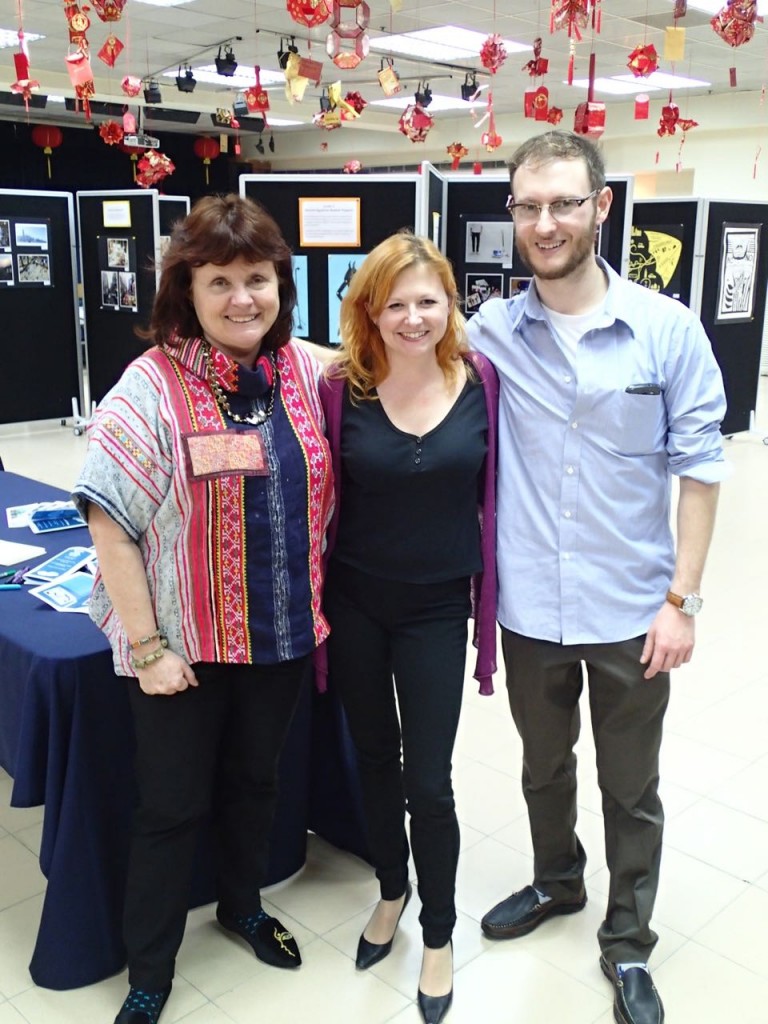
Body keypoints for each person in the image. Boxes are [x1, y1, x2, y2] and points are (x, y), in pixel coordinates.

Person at [466, 131, 727, 1024]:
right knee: (544, 768)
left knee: (630, 785)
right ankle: (556, 884)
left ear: (600, 207)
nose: (546, 223)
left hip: (632, 611)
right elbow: (391, 353)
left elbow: (699, 473)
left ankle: (627, 943)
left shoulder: (667, 331)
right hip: (531, 605)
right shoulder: (492, 332)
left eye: (565, 203)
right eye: (528, 206)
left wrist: (681, 602)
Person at [72, 194, 333, 1024]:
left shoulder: (302, 368)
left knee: (255, 784)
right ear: (188, 290)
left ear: (280, 285)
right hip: (181, 651)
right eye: (220, 282)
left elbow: (398, 357)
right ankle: (150, 971)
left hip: (281, 632)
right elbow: (111, 528)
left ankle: (240, 905)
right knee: (171, 809)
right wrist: (147, 650)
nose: (242, 299)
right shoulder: (146, 388)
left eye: (257, 279)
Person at [319, 232, 498, 1024]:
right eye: (396, 303)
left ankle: (438, 932)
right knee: (374, 759)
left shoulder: (482, 382)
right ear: (370, 309)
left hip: (434, 609)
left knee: (429, 779)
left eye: (428, 300)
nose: (413, 317)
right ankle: (391, 888)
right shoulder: (342, 387)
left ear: (450, 304)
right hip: (357, 602)